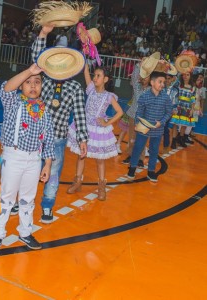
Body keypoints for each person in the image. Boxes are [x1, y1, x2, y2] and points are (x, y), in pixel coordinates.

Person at [0, 63, 55, 255]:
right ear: (21, 86)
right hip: (13, 156)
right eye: (28, 82)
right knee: (6, 197)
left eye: (37, 82)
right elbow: (6, 88)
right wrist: (29, 71)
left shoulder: (44, 110)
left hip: (34, 159)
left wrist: (47, 164)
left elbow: (48, 138)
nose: (33, 86)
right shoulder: (14, 102)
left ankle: (25, 232)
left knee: (28, 199)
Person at [31, 25, 88, 224]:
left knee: (53, 175)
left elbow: (80, 114)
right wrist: (43, 34)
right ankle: (21, 202)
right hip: (35, 136)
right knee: (29, 170)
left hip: (57, 139)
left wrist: (82, 139)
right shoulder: (43, 80)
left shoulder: (75, 87)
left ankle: (47, 206)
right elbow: (36, 60)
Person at [67, 64, 123, 200]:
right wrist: (85, 55)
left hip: (98, 130)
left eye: (98, 76)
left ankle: (102, 185)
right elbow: (86, 70)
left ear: (105, 79)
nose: (95, 78)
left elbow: (120, 112)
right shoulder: (91, 89)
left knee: (100, 159)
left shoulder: (109, 96)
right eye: (94, 75)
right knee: (81, 154)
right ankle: (78, 181)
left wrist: (106, 122)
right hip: (84, 126)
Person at [127, 71, 172, 183]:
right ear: (152, 82)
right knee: (138, 148)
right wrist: (138, 123)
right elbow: (139, 111)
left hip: (158, 129)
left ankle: (151, 171)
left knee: (154, 150)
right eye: (159, 82)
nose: (162, 84)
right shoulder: (144, 96)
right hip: (144, 128)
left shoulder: (166, 98)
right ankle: (132, 168)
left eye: (163, 82)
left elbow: (168, 112)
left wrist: (161, 122)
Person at [170, 72, 196, 148]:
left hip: (187, 108)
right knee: (175, 124)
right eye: (184, 74)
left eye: (187, 75)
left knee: (184, 125)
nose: (185, 76)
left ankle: (181, 139)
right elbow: (174, 95)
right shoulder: (178, 84)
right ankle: (174, 141)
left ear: (190, 76)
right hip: (178, 107)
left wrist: (192, 109)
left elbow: (193, 99)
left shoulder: (192, 87)